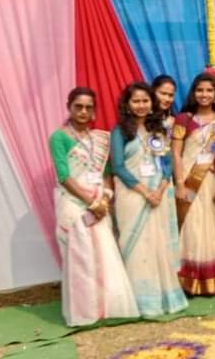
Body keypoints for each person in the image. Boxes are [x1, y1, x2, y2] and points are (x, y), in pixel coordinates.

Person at [50, 87, 139, 326]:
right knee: (81, 258)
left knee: (104, 255)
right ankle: (84, 311)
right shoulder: (59, 138)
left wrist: (105, 198)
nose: (83, 111)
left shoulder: (99, 138)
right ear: (69, 107)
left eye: (88, 107)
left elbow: (107, 173)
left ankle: (108, 307)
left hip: (99, 202)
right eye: (78, 106)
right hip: (74, 203)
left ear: (94, 111)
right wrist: (91, 202)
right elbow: (64, 176)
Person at [111, 82, 188, 316]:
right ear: (127, 104)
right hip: (133, 195)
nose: (141, 105)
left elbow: (166, 163)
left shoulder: (158, 130)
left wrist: (161, 189)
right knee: (137, 247)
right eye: (136, 101)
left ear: (151, 103)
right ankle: (142, 302)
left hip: (159, 194)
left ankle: (165, 298)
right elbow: (118, 167)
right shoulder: (120, 132)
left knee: (159, 243)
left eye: (145, 101)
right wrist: (145, 192)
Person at [173, 73, 215, 295]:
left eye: (209, 90)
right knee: (192, 228)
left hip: (212, 181)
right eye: (200, 90)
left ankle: (213, 279)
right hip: (188, 179)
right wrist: (180, 184)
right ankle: (189, 280)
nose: (204, 94)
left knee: (214, 229)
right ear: (193, 93)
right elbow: (176, 154)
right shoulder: (184, 119)